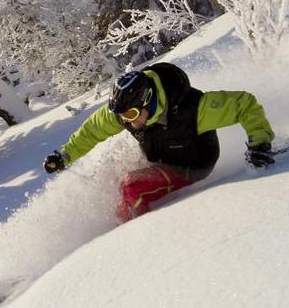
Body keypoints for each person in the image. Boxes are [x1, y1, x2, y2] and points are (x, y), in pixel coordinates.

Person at [43, 62, 275, 222]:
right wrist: (64, 156)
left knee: (130, 186)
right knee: (112, 174)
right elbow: (92, 131)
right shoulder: (126, 114)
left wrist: (260, 143)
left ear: (148, 102)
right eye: (122, 117)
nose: (126, 121)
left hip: (192, 165)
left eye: (132, 115)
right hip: (161, 159)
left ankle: (136, 233)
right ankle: (116, 222)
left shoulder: (194, 109)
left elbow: (244, 104)